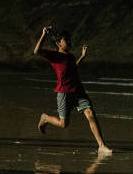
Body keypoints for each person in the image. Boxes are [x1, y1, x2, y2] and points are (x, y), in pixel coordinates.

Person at [34, 27, 112, 155]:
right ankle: (45, 118)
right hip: (64, 92)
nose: (69, 42)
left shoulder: (71, 56)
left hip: (78, 90)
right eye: (66, 40)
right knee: (64, 124)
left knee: (90, 114)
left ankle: (102, 146)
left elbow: (73, 68)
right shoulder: (55, 55)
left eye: (69, 39)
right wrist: (43, 34)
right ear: (59, 43)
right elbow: (37, 51)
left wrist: (82, 57)